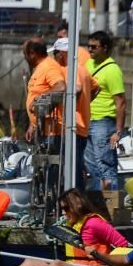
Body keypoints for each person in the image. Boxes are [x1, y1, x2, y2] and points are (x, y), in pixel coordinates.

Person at [12, 188, 128, 266]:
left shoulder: (94, 223)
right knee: (30, 262)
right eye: (61, 208)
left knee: (58, 265)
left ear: (78, 205)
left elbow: (123, 245)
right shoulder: (73, 223)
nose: (63, 212)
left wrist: (103, 258)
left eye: (66, 208)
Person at [49, 37, 97, 190]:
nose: (53, 58)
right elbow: (96, 87)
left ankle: (75, 207)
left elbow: (76, 89)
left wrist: (68, 105)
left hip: (72, 128)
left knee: (70, 173)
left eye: (55, 54)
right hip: (80, 127)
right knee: (75, 169)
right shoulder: (82, 69)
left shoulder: (70, 69)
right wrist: (85, 104)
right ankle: (75, 205)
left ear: (61, 54)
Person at [85, 30, 126, 191]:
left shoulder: (112, 70)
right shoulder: (88, 64)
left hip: (103, 122)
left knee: (106, 166)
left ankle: (112, 207)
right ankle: (99, 206)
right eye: (89, 46)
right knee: (92, 167)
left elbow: (121, 102)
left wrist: (118, 131)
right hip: (88, 120)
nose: (90, 50)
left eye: (94, 47)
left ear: (105, 48)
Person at [23, 38, 65, 148]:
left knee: (51, 164)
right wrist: (32, 126)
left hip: (52, 132)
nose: (24, 57)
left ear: (32, 54)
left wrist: (38, 98)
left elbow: (60, 86)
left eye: (25, 54)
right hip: (41, 129)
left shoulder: (49, 66)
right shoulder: (40, 67)